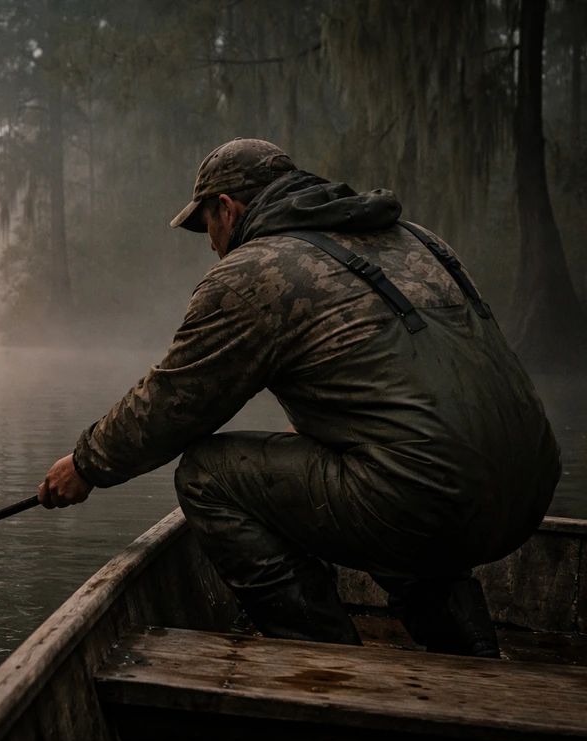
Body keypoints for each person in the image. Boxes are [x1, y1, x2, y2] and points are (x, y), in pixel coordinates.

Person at [38, 138, 561, 657]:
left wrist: (86, 464)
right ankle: (467, 651)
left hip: (430, 499)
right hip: (531, 487)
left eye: (207, 227)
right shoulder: (416, 240)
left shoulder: (254, 272)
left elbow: (173, 402)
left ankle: (327, 659)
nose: (211, 244)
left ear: (228, 207)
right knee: (401, 469)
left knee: (205, 475)